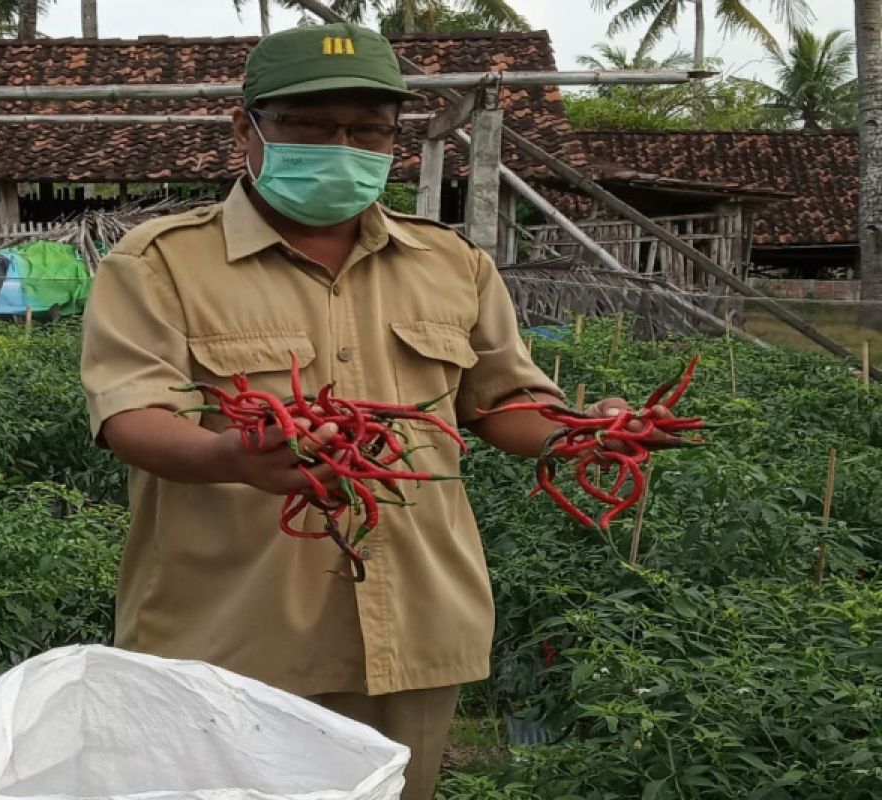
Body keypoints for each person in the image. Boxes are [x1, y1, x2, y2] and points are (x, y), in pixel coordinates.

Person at [81, 22, 665, 800]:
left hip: (415, 626)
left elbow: (504, 403)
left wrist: (579, 434)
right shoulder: (158, 264)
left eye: (367, 130)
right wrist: (234, 459)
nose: (341, 146)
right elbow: (131, 416)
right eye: (310, 126)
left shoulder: (453, 265)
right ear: (245, 128)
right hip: (232, 634)